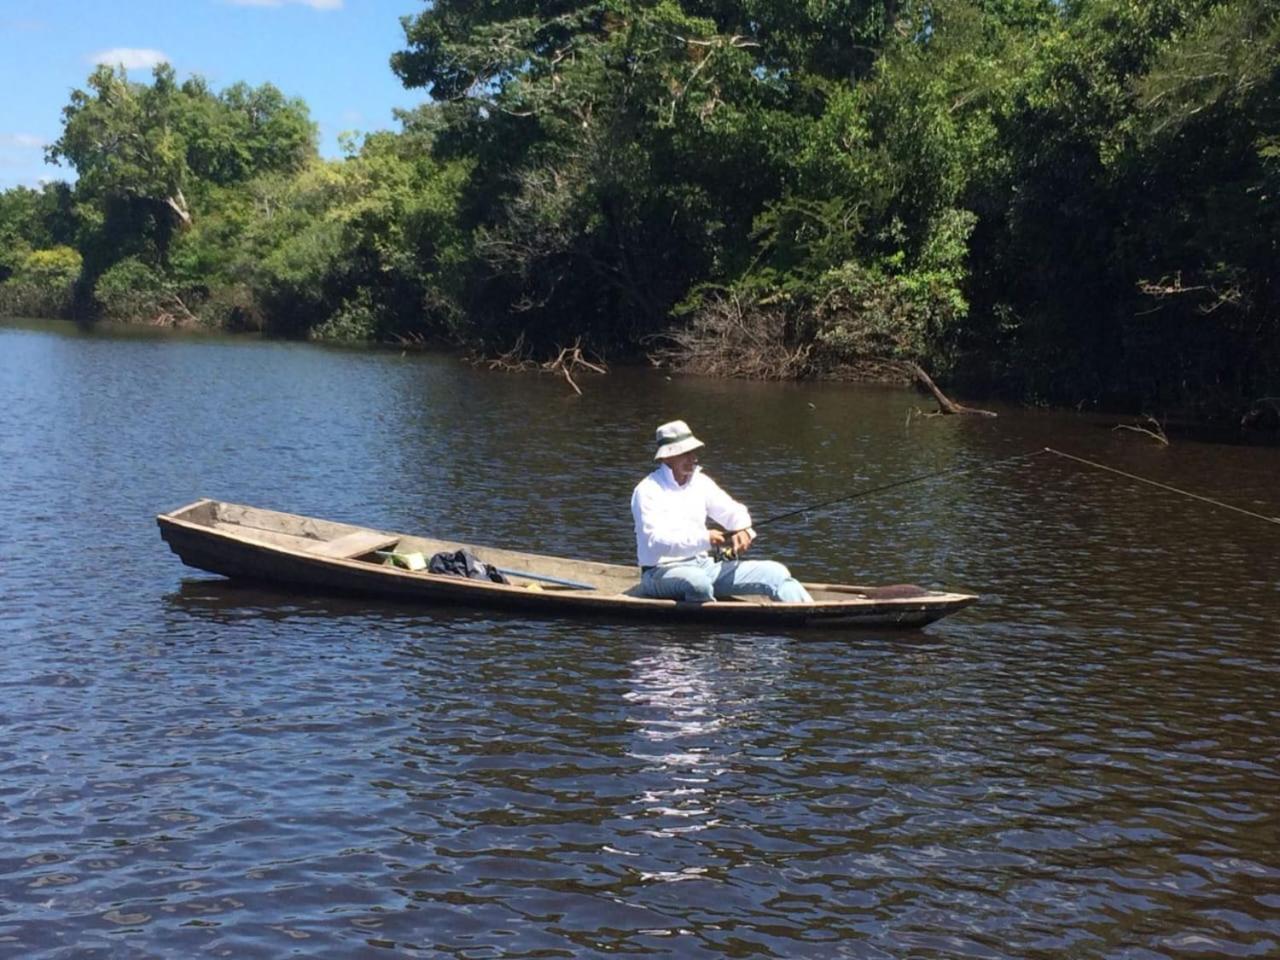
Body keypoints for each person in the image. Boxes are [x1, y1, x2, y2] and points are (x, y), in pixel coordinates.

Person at [631, 420, 813, 604]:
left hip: (703, 566)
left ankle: (810, 613)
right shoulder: (647, 490)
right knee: (698, 584)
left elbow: (734, 511)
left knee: (776, 572)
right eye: (685, 453)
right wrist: (705, 539)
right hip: (658, 572)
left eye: (693, 452)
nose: (693, 458)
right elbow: (655, 542)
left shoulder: (700, 482)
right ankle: (709, 626)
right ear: (667, 457)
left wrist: (742, 529)